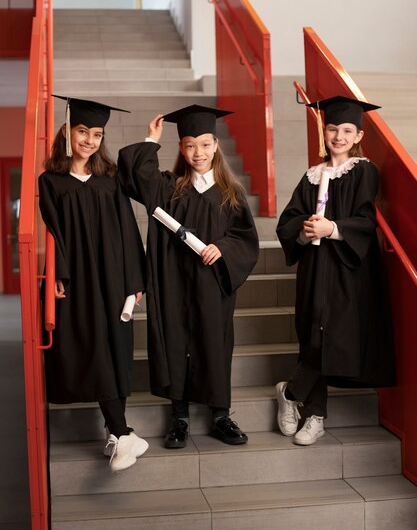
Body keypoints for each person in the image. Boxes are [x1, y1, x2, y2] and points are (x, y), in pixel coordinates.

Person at [117, 104, 259, 448]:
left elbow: (245, 237)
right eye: (191, 144)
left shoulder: (231, 193)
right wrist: (151, 141)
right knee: (175, 340)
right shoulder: (169, 188)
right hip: (173, 282)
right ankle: (178, 417)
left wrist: (223, 247)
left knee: (214, 340)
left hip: (212, 281)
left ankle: (220, 415)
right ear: (181, 148)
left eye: (206, 144)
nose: (199, 152)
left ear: (216, 146)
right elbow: (135, 176)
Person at [276, 95, 396, 446]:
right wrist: (305, 229)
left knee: (330, 336)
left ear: (359, 135)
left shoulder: (364, 171)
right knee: (313, 333)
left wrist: (333, 229)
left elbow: (365, 219)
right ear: (323, 132)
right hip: (314, 268)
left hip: (346, 269)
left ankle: (290, 393)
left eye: (347, 130)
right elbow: (289, 219)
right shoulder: (312, 175)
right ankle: (315, 416)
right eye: (332, 129)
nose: (339, 136)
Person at [38, 95, 148, 471]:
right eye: (83, 131)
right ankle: (122, 432)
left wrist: (135, 280)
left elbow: (129, 229)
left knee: (114, 348)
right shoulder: (50, 181)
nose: (89, 140)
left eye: (97, 134)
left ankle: (120, 434)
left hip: (113, 276)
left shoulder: (110, 178)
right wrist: (58, 275)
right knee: (93, 348)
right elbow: (52, 232)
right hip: (77, 279)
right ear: (68, 132)